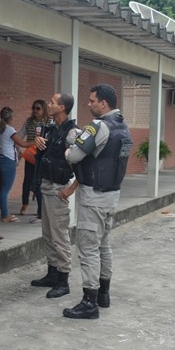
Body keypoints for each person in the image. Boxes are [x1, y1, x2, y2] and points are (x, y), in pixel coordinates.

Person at [63, 84, 133, 319]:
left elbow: (74, 155)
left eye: (92, 100)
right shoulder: (123, 127)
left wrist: (71, 144)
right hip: (112, 194)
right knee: (104, 244)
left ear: (103, 103)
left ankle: (89, 302)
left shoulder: (98, 126)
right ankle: (104, 293)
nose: (89, 104)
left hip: (94, 196)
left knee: (88, 249)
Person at [30, 93, 79, 299]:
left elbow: (82, 165)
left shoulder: (73, 133)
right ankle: (52, 272)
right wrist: (38, 140)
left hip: (58, 190)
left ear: (62, 108)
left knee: (60, 236)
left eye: (52, 103)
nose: (49, 105)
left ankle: (63, 279)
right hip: (46, 187)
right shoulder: (51, 129)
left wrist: (70, 189)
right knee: (48, 235)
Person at [0, 107, 34, 222]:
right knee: (5, 190)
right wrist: (36, 141)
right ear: (11, 117)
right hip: (8, 161)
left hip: (0, 160)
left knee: (2, 188)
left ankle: (4, 213)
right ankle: (5, 215)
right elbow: (22, 143)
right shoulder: (10, 130)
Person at [19, 100, 49, 222]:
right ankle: (25, 204)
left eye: (38, 108)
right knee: (27, 180)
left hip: (43, 156)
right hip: (31, 154)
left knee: (39, 182)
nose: (35, 111)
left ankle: (40, 211)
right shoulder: (29, 121)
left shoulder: (49, 122)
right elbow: (20, 135)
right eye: (34, 108)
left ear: (44, 109)